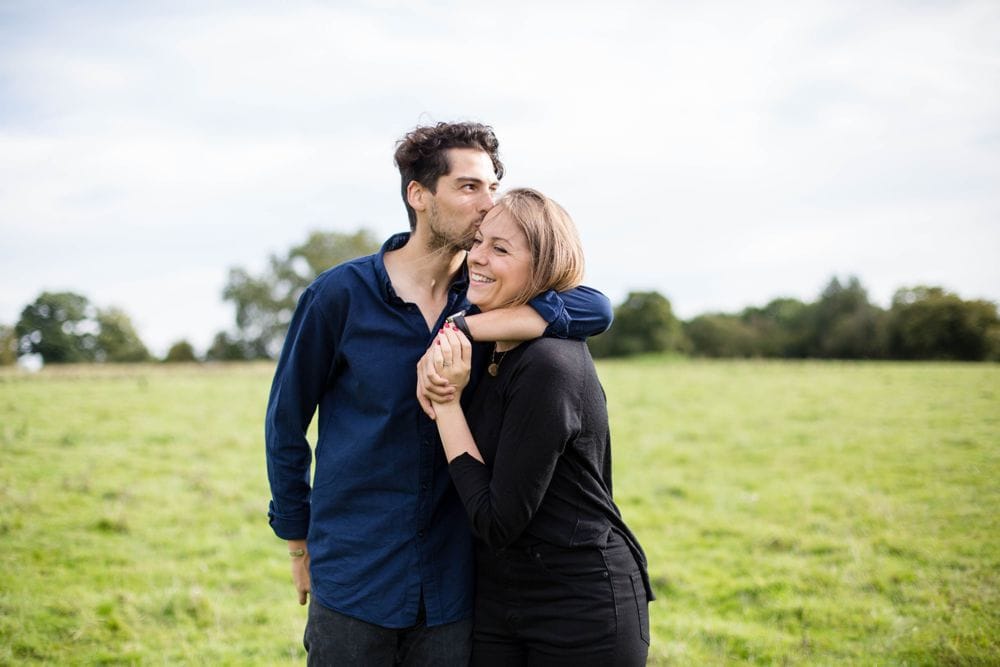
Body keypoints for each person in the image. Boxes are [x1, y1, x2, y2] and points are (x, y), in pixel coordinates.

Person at [264, 122, 613, 666]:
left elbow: (596, 308)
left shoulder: (487, 299)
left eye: (494, 186)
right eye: (469, 187)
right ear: (419, 195)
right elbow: (285, 424)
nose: (488, 203)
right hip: (356, 577)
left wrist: (465, 329)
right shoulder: (339, 296)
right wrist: (296, 540)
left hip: (455, 586)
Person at [423, 188, 654, 665]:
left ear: (545, 270)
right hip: (497, 598)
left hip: (580, 606)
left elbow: (497, 520)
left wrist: (448, 405)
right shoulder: (487, 347)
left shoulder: (549, 364)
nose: (478, 258)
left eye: (501, 249)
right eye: (479, 241)